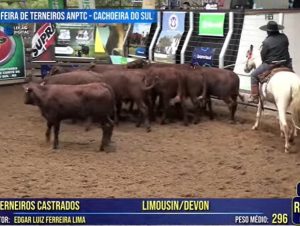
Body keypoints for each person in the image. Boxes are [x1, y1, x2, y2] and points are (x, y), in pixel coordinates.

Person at [248, 21, 293, 104]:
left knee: (253, 75)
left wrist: (266, 60)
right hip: (286, 63)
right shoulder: (284, 37)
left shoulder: (266, 41)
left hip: (271, 64)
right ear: (277, 30)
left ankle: (254, 96)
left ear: (268, 31)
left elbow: (263, 55)